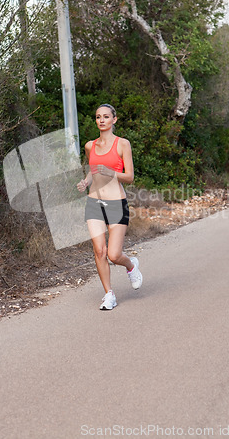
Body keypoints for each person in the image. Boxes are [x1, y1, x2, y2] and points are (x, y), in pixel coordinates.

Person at [77, 104, 143, 310]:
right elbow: (93, 168)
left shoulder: (123, 144)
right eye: (98, 117)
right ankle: (109, 294)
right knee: (99, 251)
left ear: (114, 119)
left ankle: (131, 266)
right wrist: (86, 181)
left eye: (106, 116)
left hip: (116, 202)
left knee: (114, 255)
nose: (101, 120)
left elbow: (130, 177)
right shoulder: (90, 146)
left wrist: (111, 172)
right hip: (94, 202)